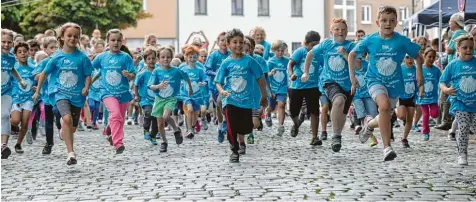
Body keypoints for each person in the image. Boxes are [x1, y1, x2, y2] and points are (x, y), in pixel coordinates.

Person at [349, 6, 424, 161]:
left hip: (395, 84)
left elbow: (418, 56)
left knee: (385, 114)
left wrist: (419, 72)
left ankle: (369, 125)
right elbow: (352, 55)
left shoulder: (402, 41)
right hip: (374, 80)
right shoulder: (370, 40)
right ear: (377, 22)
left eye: (391, 21)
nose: (387, 23)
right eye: (384, 20)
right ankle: (387, 147)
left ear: (396, 23)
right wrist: (352, 78)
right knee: (384, 107)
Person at [34, 22, 93, 165]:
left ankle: (64, 129)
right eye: (69, 36)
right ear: (62, 37)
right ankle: (71, 153)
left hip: (77, 96)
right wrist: (37, 91)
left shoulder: (82, 57)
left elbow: (88, 75)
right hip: (60, 93)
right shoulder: (56, 57)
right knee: (67, 119)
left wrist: (86, 87)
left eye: (75, 36)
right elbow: (44, 74)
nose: (72, 38)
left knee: (71, 127)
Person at [215, 28, 268, 163]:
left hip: (246, 101)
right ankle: (234, 150)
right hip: (230, 99)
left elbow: (260, 77)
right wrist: (221, 92)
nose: (238, 45)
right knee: (232, 126)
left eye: (240, 42)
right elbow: (218, 82)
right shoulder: (226, 62)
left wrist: (264, 95)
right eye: (235, 42)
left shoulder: (249, 61)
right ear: (228, 45)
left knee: (246, 128)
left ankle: (240, 137)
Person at [303, 18, 355, 152]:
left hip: (347, 84)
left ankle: (338, 134)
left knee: (342, 112)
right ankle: (335, 135)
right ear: (331, 31)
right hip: (329, 81)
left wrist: (345, 54)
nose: (340, 32)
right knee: (338, 100)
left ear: (347, 31)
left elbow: (357, 65)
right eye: (337, 29)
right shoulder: (326, 44)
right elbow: (310, 54)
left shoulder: (351, 46)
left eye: (343, 29)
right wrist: (306, 72)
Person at [91, 29, 136, 154]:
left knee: (119, 118)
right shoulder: (101, 57)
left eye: (118, 40)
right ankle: (118, 143)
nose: (116, 43)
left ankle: (110, 130)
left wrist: (129, 75)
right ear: (108, 42)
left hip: (123, 93)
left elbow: (133, 75)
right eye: (113, 40)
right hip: (107, 92)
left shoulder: (126, 57)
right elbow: (89, 68)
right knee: (115, 114)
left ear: (122, 42)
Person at [439, 34, 476, 165]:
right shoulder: (453, 65)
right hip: (459, 102)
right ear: (458, 49)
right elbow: (442, 81)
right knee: (464, 126)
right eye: (465, 48)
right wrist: (446, 90)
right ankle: (462, 154)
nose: (468, 50)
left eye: (471, 47)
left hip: (475, 103)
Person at [148, 47, 192, 153]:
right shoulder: (156, 71)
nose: (165, 59)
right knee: (160, 124)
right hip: (159, 99)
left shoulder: (176, 71)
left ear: (172, 58)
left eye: (168, 57)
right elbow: (150, 86)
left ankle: (176, 129)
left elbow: (186, 77)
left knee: (166, 116)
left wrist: (190, 87)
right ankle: (164, 142)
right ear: (158, 59)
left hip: (171, 98)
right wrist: (158, 86)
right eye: (163, 57)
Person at [288, 31, 321, 145]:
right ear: (306, 43)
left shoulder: (319, 53)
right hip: (297, 86)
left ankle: (315, 137)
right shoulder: (300, 51)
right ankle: (296, 124)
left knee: (314, 112)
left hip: (313, 86)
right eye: (313, 45)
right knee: (293, 112)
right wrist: (291, 74)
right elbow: (290, 64)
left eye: (317, 44)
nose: (315, 47)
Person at [32, 36, 59, 155]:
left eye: (56, 47)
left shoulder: (60, 60)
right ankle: (49, 143)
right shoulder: (44, 62)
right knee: (48, 121)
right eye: (51, 48)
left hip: (59, 95)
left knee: (59, 115)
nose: (54, 50)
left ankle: (61, 127)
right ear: (45, 49)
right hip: (47, 97)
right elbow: (36, 77)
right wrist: (45, 73)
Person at [205, 32, 230, 143]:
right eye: (222, 40)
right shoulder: (213, 56)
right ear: (218, 42)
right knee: (219, 106)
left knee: (223, 102)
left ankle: (226, 122)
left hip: (228, 86)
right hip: (215, 85)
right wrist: (217, 73)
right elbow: (207, 70)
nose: (224, 42)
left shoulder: (231, 55)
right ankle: (220, 126)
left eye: (226, 40)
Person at [134, 47, 159, 145]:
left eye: (153, 58)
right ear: (145, 61)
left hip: (157, 99)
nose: (151, 61)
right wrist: (136, 95)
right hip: (145, 99)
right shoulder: (142, 73)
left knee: (156, 118)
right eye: (149, 59)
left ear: (156, 59)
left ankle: (153, 136)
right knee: (148, 113)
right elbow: (136, 84)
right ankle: (145, 129)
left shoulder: (159, 71)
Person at [266, 40, 290, 137]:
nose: (280, 53)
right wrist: (270, 73)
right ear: (274, 51)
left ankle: (280, 125)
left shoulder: (287, 60)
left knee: (281, 104)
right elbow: (265, 75)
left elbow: (292, 68)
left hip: (282, 87)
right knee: (271, 107)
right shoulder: (270, 62)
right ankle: (267, 115)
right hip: (272, 88)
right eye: (278, 51)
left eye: (282, 50)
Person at [417, 48, 441, 141]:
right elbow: (416, 80)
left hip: (433, 97)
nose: (431, 59)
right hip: (423, 97)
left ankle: (434, 113)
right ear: (425, 56)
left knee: (434, 114)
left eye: (433, 57)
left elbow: (442, 80)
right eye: (429, 57)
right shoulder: (420, 69)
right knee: (426, 115)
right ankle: (426, 132)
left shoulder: (436, 70)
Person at [395, 55, 418, 148]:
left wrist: (417, 95)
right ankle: (394, 111)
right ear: (404, 58)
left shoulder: (416, 70)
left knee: (409, 119)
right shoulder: (400, 69)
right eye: (408, 57)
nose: (410, 60)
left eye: (412, 58)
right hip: (401, 97)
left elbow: (418, 83)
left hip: (411, 97)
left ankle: (404, 138)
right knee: (401, 116)